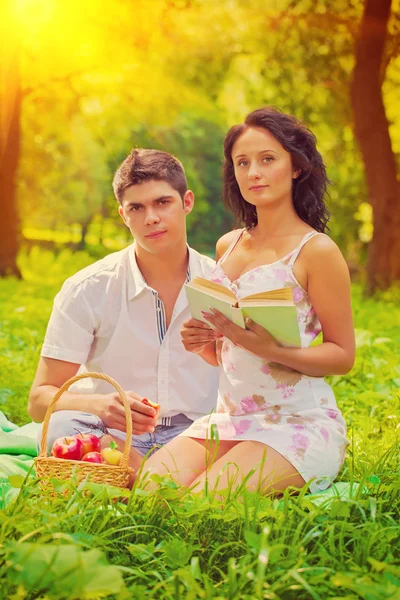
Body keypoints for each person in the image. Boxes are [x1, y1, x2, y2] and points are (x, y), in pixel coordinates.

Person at [142, 107, 355, 495]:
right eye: (243, 162)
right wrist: (207, 343)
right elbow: (229, 353)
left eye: (267, 159)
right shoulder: (230, 243)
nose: (253, 172)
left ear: (297, 168)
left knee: (200, 503)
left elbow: (342, 356)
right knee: (149, 489)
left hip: (297, 422)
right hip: (231, 418)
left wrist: (271, 349)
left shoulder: (317, 251)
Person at [28, 149, 219, 469]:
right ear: (122, 214)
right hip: (113, 435)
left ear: (187, 202)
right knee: (60, 431)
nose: (151, 218)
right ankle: (159, 481)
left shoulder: (221, 284)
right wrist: (101, 406)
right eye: (137, 208)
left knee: (250, 435)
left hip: (197, 436)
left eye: (162, 202)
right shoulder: (86, 289)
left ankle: (138, 480)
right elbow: (39, 401)